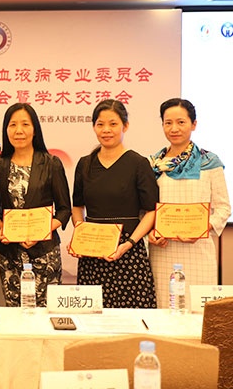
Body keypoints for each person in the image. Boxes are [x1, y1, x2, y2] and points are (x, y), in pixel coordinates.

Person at [69, 99, 158, 308]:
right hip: (92, 253)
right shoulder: (85, 164)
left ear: (125, 126)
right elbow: (77, 207)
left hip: (128, 252)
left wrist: (130, 243)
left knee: (132, 317)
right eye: (100, 124)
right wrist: (81, 236)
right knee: (92, 316)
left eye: (113, 124)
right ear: (94, 127)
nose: (106, 130)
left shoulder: (138, 163)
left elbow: (152, 211)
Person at [148, 98, 231, 308]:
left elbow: (223, 208)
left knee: (198, 312)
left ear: (193, 124)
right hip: (163, 250)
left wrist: (203, 227)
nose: (174, 128)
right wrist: (150, 233)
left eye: (181, 122)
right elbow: (145, 209)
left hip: (198, 250)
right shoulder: (153, 164)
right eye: (168, 123)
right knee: (164, 309)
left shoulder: (209, 162)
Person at [0, 103, 71, 307]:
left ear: (35, 129)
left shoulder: (51, 163)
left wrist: (40, 232)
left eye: (25, 124)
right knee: (14, 312)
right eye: (12, 125)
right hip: (10, 255)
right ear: (6, 130)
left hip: (44, 253)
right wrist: (3, 228)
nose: (19, 130)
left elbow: (64, 210)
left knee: (46, 312)